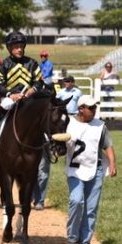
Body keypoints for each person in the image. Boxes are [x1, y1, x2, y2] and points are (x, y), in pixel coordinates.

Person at [65, 95, 117, 244]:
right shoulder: (69, 123)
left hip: (96, 169)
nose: (94, 110)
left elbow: (108, 145)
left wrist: (112, 163)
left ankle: (85, 242)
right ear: (81, 109)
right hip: (75, 170)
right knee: (76, 201)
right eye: (91, 108)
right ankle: (72, 238)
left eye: (95, 107)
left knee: (91, 207)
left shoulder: (100, 126)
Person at [32, 75, 83, 210]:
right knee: (31, 171)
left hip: (45, 142)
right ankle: (32, 194)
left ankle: (40, 200)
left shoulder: (57, 108)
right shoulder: (36, 104)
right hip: (33, 142)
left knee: (43, 172)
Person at [0, 31, 44, 142]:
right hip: (10, 97)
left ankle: (46, 140)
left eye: (21, 46)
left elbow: (39, 81)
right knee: (6, 104)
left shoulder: (32, 63)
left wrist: (32, 90)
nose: (19, 49)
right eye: (16, 47)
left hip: (28, 97)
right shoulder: (4, 64)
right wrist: (11, 95)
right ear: (9, 48)